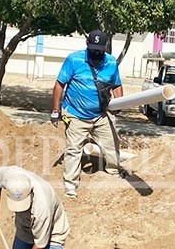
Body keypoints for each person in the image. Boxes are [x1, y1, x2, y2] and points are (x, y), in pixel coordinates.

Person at [51, 29, 124, 198]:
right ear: (87, 44)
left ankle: (113, 174)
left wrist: (119, 103)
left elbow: (116, 85)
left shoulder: (111, 63)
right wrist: (55, 110)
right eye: (93, 49)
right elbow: (59, 84)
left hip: (100, 115)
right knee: (74, 149)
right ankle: (70, 185)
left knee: (112, 145)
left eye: (100, 50)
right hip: (75, 114)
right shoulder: (74, 60)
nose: (96, 53)